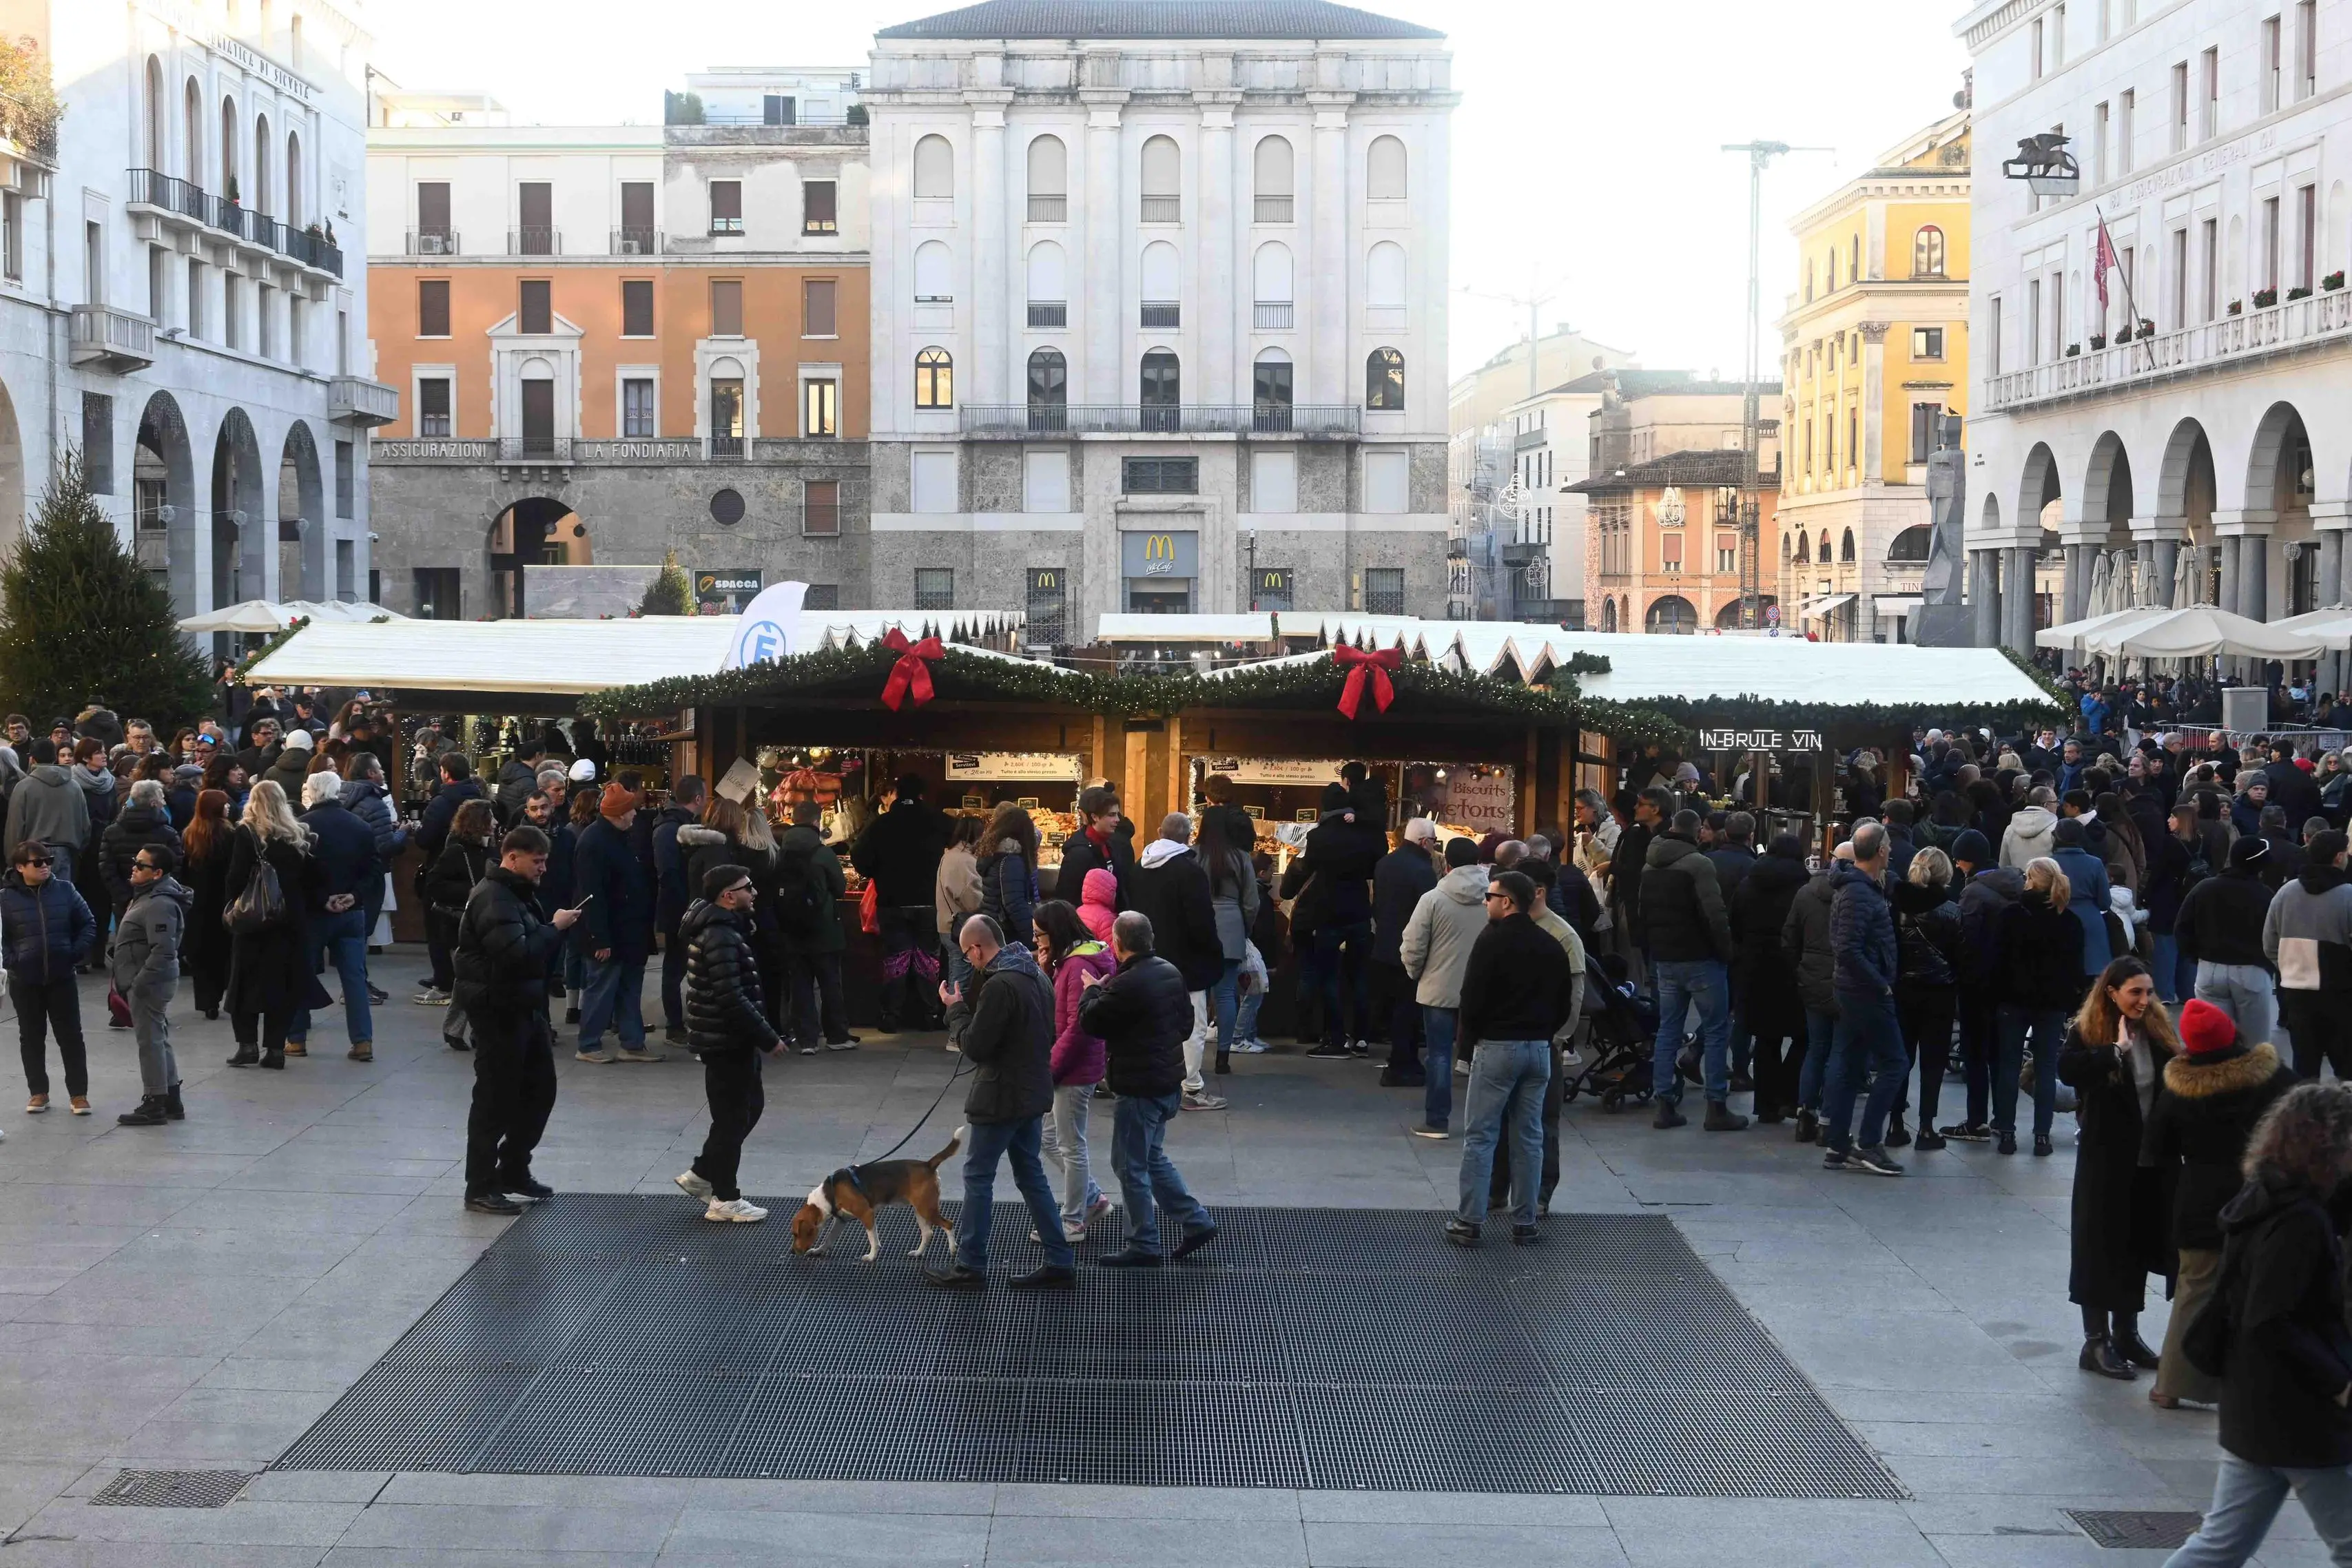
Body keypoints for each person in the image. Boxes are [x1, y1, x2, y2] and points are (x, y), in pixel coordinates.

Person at [2158, 1083, 2352, 1568]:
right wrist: (2340, 1381)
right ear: (2328, 1146)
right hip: (2299, 1416)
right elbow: (2269, 1319)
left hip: (2255, 1406)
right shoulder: (2299, 1221)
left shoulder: (2267, 1195)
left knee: (2219, 1547)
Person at [2139, 999, 2295, 1410]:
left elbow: (2156, 1148)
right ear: (2232, 1033)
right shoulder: (2269, 1075)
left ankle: (2170, 1385)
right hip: (2257, 1197)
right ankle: (2250, 1385)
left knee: (2194, 1289)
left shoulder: (2179, 1089)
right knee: (2259, 1290)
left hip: (2199, 1198)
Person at [930, 914, 1074, 1290]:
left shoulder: (1000, 986)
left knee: (978, 1177)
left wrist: (955, 1010)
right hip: (1032, 1093)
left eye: (968, 953)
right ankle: (1060, 1260)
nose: (969, 961)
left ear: (977, 947)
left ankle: (970, 1264)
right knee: (1031, 1176)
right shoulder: (1036, 975)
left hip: (1000, 1097)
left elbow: (977, 1046)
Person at [1443, 871, 1579, 1248]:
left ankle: (1469, 1220)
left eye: (1490, 896)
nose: (1486, 902)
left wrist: (1469, 1046)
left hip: (1498, 1047)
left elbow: (1471, 1000)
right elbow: (1564, 1003)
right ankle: (1526, 1220)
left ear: (1507, 902)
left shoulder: (1491, 942)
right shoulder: (1552, 944)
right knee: (1530, 1136)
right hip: (1539, 1049)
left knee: (1481, 1135)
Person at [2060, 956, 2180, 1381]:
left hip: (2152, 1160)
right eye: (2136, 992)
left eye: (2148, 992)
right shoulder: (2088, 1031)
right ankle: (2096, 1341)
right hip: (2106, 1159)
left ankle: (2126, 1332)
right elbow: (2068, 1070)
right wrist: (2113, 1052)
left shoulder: (2159, 1031)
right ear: (2112, 992)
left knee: (2136, 1245)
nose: (2144, 1000)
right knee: (2099, 1246)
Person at [1077, 909, 1219, 1270]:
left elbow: (1092, 1021)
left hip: (1139, 1088)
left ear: (1118, 943)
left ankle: (1143, 1243)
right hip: (1166, 1084)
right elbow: (1186, 1026)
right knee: (1150, 1158)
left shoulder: (1128, 983)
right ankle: (1195, 1221)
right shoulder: (1170, 973)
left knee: (1128, 1165)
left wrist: (1092, 990)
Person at [453, 825, 579, 1215]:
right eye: (537, 862)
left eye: (545, 862)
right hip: (498, 1010)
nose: (543, 869)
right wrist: (554, 929)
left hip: (523, 1007)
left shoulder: (516, 894)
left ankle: (512, 1169)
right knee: (495, 1099)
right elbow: (515, 955)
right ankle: (480, 1185)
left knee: (540, 1091)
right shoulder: (495, 897)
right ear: (512, 858)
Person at [673, 864, 783, 1222]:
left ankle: (705, 1173)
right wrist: (768, 1037)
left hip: (728, 1038)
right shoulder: (719, 934)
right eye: (747, 887)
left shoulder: (724, 928)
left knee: (745, 1110)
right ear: (728, 895)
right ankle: (724, 1196)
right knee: (733, 1117)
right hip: (726, 1040)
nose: (754, 893)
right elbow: (731, 996)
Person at [1642, 808, 1744, 1133]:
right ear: (1697, 830)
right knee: (1716, 1030)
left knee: (1668, 1030)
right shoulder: (1699, 864)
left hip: (1665, 958)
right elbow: (1714, 914)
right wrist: (1726, 952)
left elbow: (1644, 911)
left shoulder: (1649, 865)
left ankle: (1664, 1103)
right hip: (1701, 958)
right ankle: (1716, 1106)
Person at [223, 780, 329, 1071]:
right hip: (289, 921)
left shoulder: (247, 833)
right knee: (281, 987)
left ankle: (247, 1046)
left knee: (244, 984)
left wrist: (232, 904)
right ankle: (275, 1049)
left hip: (254, 920)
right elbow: (315, 878)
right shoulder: (299, 835)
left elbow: (235, 876)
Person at [1819, 821, 1905, 1174]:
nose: (1891, 849)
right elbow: (1848, 947)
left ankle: (1838, 1144)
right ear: (1880, 851)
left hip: (1854, 988)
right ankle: (1868, 1143)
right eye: (1887, 844)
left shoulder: (1861, 887)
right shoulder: (1858, 891)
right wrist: (1880, 983)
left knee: (1852, 1065)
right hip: (1865, 991)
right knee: (1895, 1063)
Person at [1281, 782, 1385, 1058]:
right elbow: (1376, 864)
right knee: (1360, 975)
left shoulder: (1319, 838)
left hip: (1327, 913)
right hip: (1360, 908)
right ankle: (1362, 1038)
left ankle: (1336, 1038)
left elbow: (1309, 868)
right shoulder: (1363, 835)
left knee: (1328, 976)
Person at [1129, 813, 1225, 1110]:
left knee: (1148, 1023)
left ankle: (1150, 1080)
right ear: (1189, 837)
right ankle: (1192, 1088)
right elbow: (1202, 923)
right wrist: (1213, 955)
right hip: (1186, 964)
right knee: (1192, 1027)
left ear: (1159, 831)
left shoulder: (1139, 867)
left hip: (1144, 959)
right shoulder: (1190, 872)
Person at [1033, 898, 1115, 1242]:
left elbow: (1075, 1028)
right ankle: (1091, 1200)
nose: (1036, 940)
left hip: (1074, 1070)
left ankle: (1073, 1221)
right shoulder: (1070, 961)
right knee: (1050, 1139)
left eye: (1039, 934)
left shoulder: (1079, 965)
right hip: (1073, 1066)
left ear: (1056, 932)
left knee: (1069, 1144)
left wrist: (1050, 1070)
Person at [1992, 856, 2085, 1157]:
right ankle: (2042, 1136)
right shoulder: (2069, 920)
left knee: (2008, 1065)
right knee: (2046, 1067)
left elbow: (1997, 960)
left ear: (2030, 880)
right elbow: (2076, 968)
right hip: (2052, 1002)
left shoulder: (2011, 916)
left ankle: (2006, 1131)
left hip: (2013, 1000)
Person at [1400, 836, 1489, 1139]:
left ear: (1447, 863)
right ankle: (1485, 1120)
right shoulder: (1494, 898)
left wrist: (1416, 973)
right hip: (1483, 987)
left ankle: (1437, 1120)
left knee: (1438, 1054)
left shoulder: (1433, 899)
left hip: (1439, 985)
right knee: (1487, 1054)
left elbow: (1413, 944)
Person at [1, 837, 94, 1113]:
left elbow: (88, 924)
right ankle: (38, 1092)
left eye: (49, 861)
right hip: (25, 980)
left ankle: (78, 1095)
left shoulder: (65, 890)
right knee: (31, 1036)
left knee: (71, 1036)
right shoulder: (5, 899)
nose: (45, 867)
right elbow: (1, 938)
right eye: (38, 862)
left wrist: (72, 954)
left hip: (62, 976)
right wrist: (13, 961)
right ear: (20, 867)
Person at [293, 771, 380, 1060]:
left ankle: (296, 1039)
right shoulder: (360, 826)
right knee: (354, 978)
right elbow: (373, 870)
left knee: (301, 972)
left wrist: (323, 899)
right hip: (351, 911)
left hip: (314, 913)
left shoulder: (302, 827)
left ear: (313, 793)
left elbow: (299, 876)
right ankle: (362, 1041)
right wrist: (354, 895)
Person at [852, 775, 949, 1033]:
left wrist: (878, 872)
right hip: (929, 902)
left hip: (891, 902)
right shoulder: (937, 820)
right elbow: (964, 841)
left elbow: (858, 856)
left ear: (896, 793)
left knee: (896, 958)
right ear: (922, 795)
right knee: (928, 958)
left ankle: (891, 1016)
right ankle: (929, 1015)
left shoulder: (881, 824)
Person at [572, 782, 659, 1064]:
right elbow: (591, 895)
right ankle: (588, 1044)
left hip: (629, 930)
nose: (636, 815)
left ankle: (632, 1043)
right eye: (632, 810)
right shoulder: (595, 842)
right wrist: (600, 939)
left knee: (629, 988)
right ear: (620, 814)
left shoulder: (618, 836)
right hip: (611, 932)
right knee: (602, 988)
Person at [1731, 834, 1811, 1124]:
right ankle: (1789, 1093)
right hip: (1793, 969)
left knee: (1766, 1039)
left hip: (1756, 969)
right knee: (1806, 1035)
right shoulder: (1804, 888)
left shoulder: (1748, 884)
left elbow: (1734, 925)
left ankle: (1766, 1106)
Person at [110, 844, 189, 1126]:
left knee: (150, 1042)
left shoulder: (159, 903)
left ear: (156, 873)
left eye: (141, 865)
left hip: (150, 983)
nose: (134, 867)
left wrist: (138, 983)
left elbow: (164, 949)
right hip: (148, 980)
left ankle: (155, 1101)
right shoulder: (149, 896)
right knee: (158, 1038)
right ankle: (169, 1099)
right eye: (135, 861)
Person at [2264, 829, 2352, 1081]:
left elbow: (2269, 942)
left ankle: (2305, 1116)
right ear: (2338, 857)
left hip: (2297, 994)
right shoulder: (2348, 896)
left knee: (2304, 1068)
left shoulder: (2286, 892)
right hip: (2341, 995)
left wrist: (2290, 968)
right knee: (2347, 1069)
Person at [2177, 838, 2280, 1051]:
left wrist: (2196, 956)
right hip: (2252, 971)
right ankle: (2252, 1083)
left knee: (2215, 1042)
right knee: (2255, 1047)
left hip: (2210, 969)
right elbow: (2276, 936)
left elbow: (2182, 927)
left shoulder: (2204, 888)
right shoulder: (2265, 895)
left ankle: (2220, 1082)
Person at [1892, 846, 1963, 1152]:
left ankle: (1895, 1124)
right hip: (1939, 992)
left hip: (1902, 990)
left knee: (1899, 1059)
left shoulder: (1895, 904)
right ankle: (1925, 1127)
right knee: (1933, 1062)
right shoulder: (1951, 910)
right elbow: (1961, 956)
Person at [774, 800, 853, 1054]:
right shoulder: (823, 853)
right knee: (831, 983)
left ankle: (807, 1040)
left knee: (800, 986)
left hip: (791, 929)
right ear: (816, 822)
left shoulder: (780, 851)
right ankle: (836, 1036)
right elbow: (840, 889)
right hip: (824, 929)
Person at [1782, 843, 1844, 1144]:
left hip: (1812, 981)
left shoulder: (1806, 893)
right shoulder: (1859, 894)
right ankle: (1827, 1120)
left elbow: (1789, 937)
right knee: (1839, 1053)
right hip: (1846, 983)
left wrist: (1801, 970)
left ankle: (1805, 1113)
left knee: (1816, 1048)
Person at [1373, 818, 1441, 1088]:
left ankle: (1399, 1060)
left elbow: (1378, 904)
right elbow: (1427, 914)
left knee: (1395, 1006)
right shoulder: (1423, 870)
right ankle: (1404, 1062)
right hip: (1410, 946)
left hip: (1385, 943)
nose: (1434, 847)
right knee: (1408, 1008)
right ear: (1424, 842)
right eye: (1434, 842)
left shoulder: (1385, 863)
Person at [1199, 801, 1259, 1078]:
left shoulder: (1193, 855)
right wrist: (1244, 929)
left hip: (1199, 928)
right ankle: (1223, 1056)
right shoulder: (1240, 857)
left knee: (1196, 995)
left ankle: (1192, 1054)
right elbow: (1251, 903)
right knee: (1225, 995)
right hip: (1231, 926)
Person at [648, 773, 708, 1046]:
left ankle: (680, 1021)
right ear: (697, 798)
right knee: (675, 968)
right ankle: (674, 1025)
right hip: (678, 910)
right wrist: (685, 905)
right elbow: (669, 873)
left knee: (680, 966)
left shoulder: (679, 824)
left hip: (682, 907)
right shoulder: (671, 828)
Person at [99, 778, 183, 947]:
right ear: (153, 803)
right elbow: (176, 867)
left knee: (126, 947)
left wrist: (124, 897)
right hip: (159, 900)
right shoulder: (168, 834)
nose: (164, 802)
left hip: (124, 901)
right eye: (161, 798)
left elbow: (107, 869)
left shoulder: (112, 832)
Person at [1055, 784, 1133, 911]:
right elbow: (1065, 900)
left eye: (1117, 814)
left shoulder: (1112, 845)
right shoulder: (1078, 854)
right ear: (1094, 817)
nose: (1118, 820)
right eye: (1111, 815)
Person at [934, 814, 986, 996]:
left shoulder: (949, 855)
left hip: (947, 925)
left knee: (956, 978)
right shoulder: (964, 861)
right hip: (959, 928)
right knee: (960, 986)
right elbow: (973, 900)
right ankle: (954, 1021)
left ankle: (951, 1018)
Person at [2001, 785, 2060, 869]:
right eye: (2056, 802)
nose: (2058, 805)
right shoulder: (2056, 829)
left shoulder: (2010, 829)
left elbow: (2004, 864)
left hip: (2018, 880)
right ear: (2046, 805)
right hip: (2046, 880)